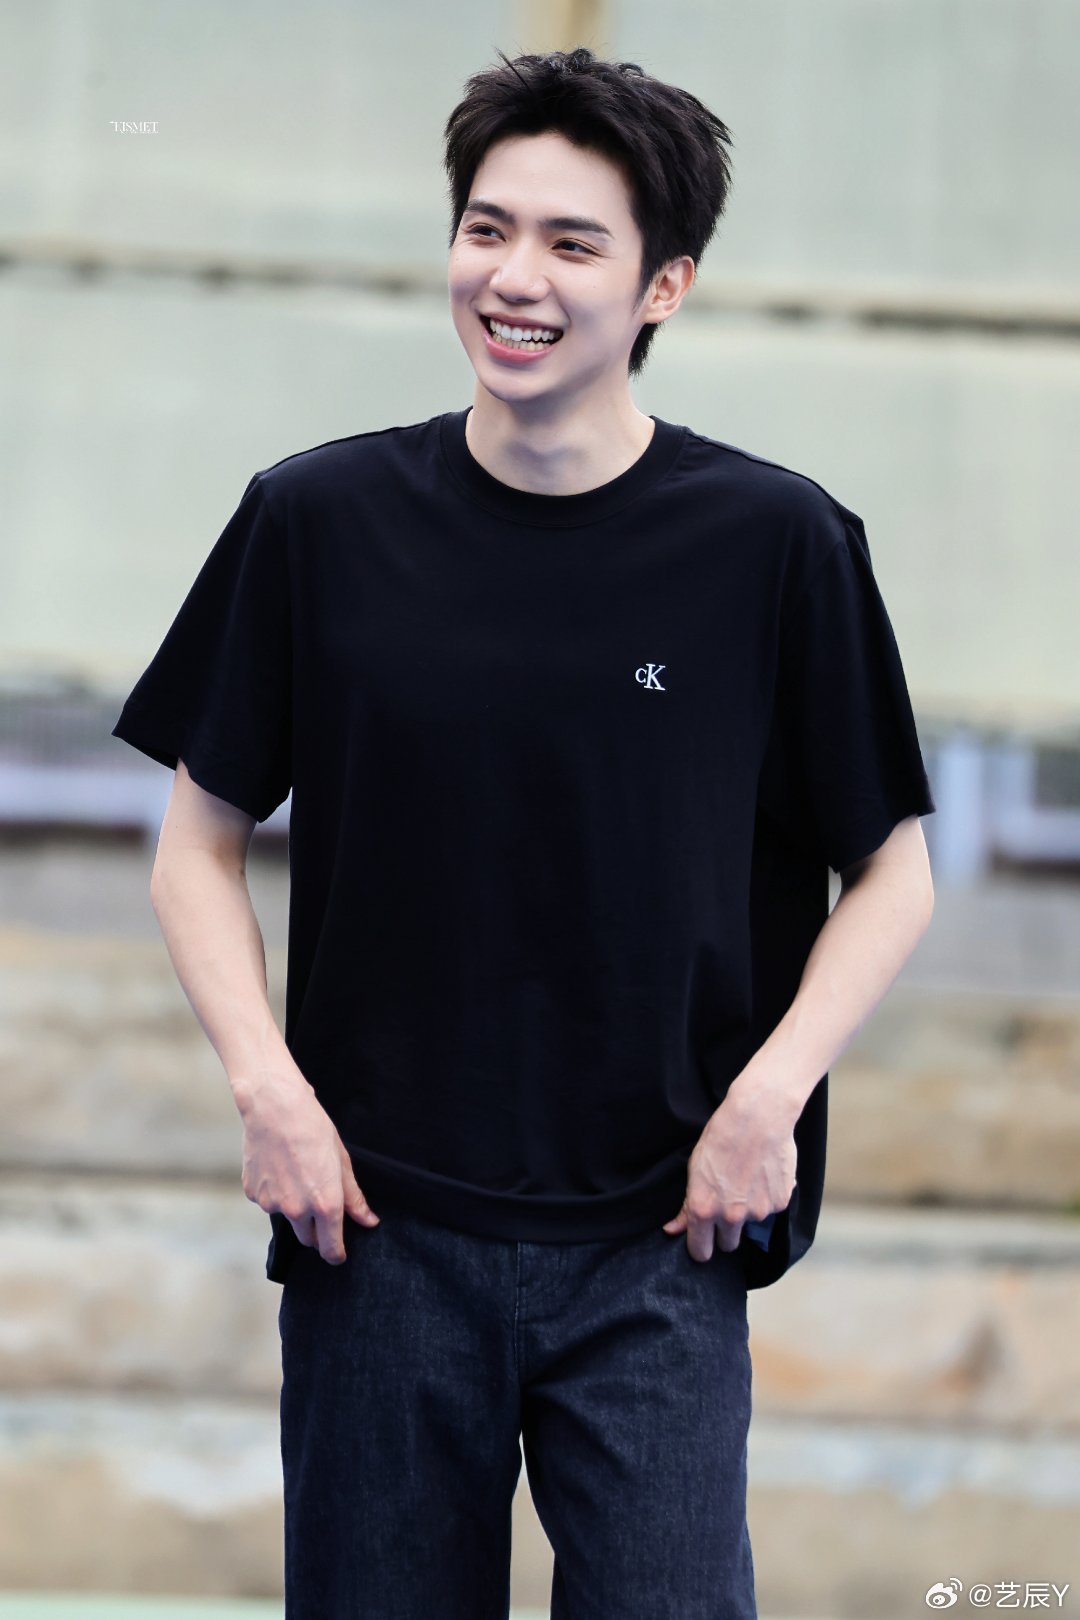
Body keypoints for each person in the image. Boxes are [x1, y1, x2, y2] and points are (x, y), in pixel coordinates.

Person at [111, 45, 936, 1620]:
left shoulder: (775, 543)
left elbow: (892, 866)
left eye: (572, 243)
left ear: (663, 286)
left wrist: (768, 1101)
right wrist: (269, 1092)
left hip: (661, 1236)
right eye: (487, 230)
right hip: (376, 1229)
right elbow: (193, 842)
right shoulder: (318, 520)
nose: (515, 278)